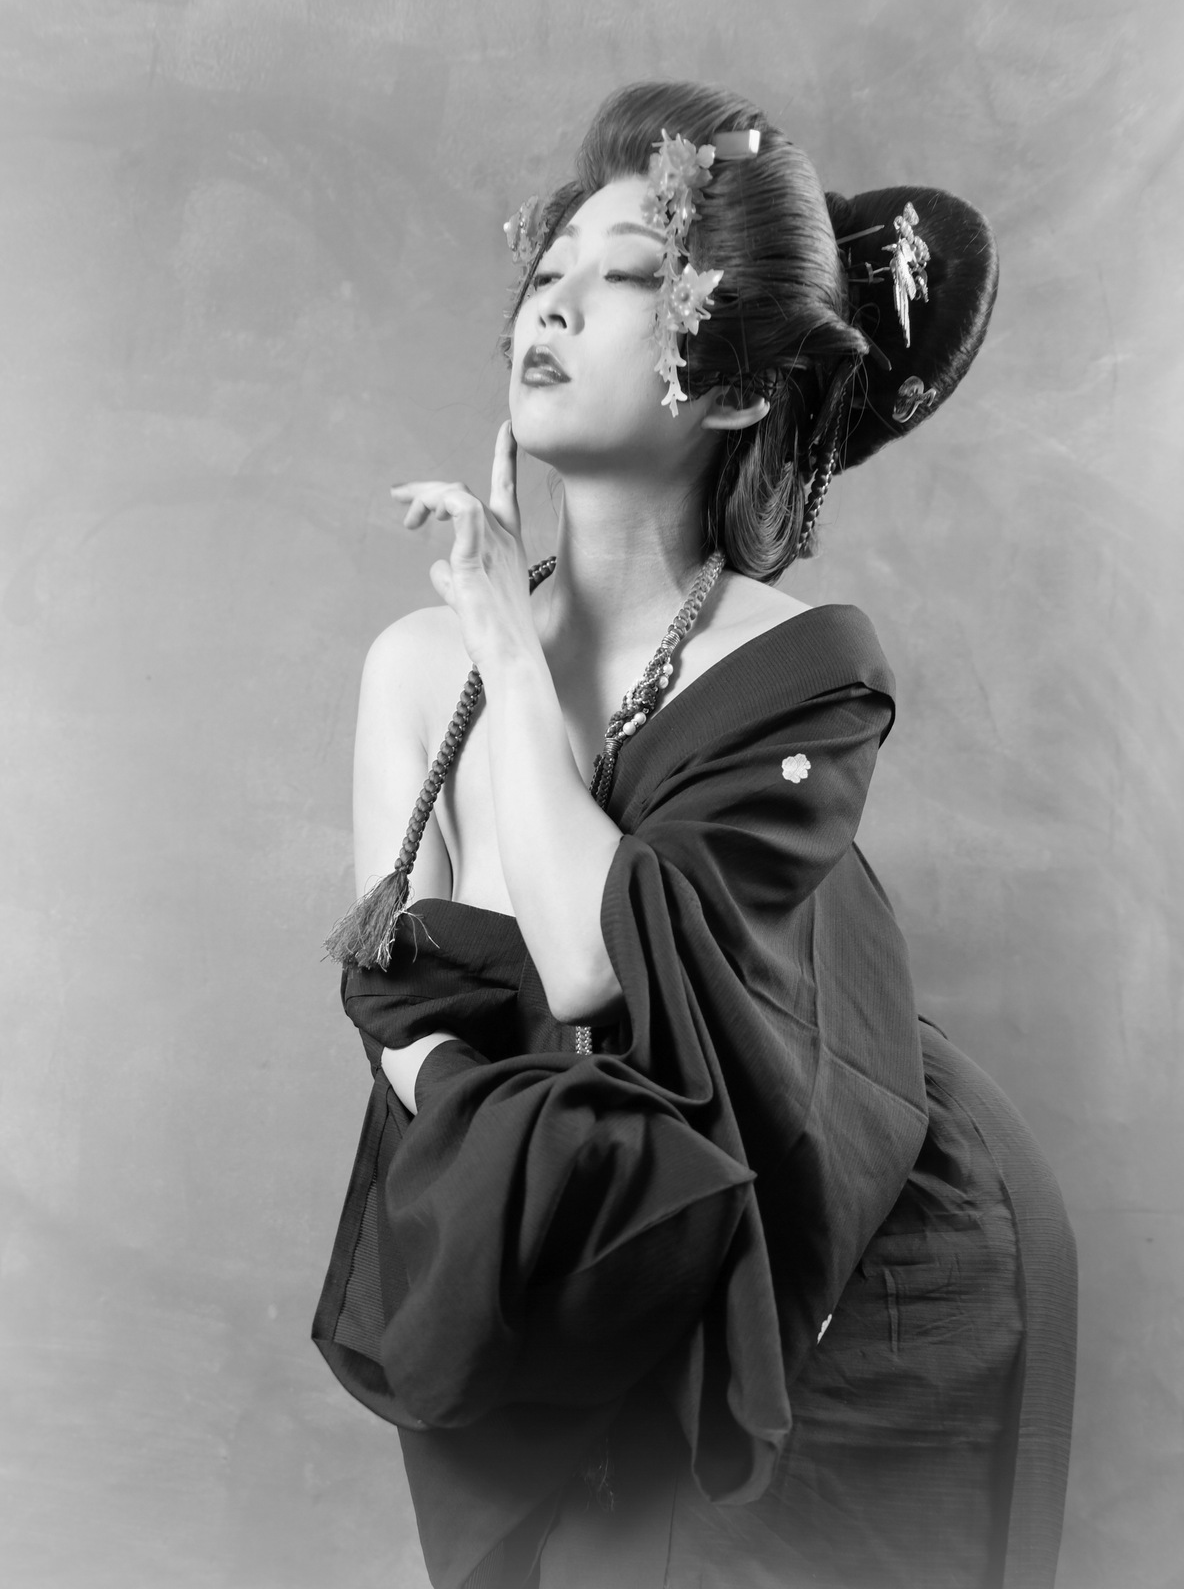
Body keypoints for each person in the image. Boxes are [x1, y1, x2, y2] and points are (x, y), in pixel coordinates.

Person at [312, 80, 1077, 1589]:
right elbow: (402, 1013)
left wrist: (509, 647)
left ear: (729, 396)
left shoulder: (801, 665)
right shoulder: (412, 669)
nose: (552, 308)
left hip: (851, 1251)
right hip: (567, 1239)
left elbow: (591, 963)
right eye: (547, 273)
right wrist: (527, 1166)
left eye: (628, 280)